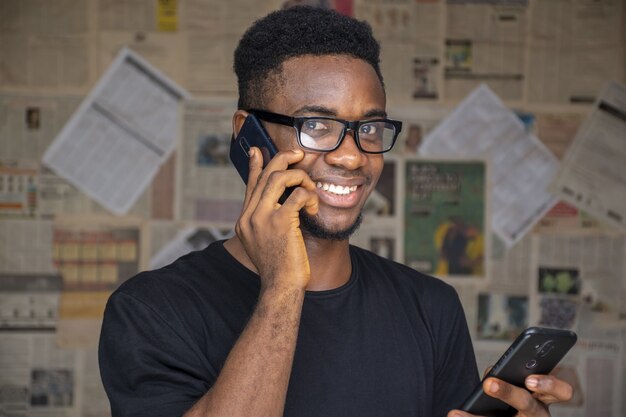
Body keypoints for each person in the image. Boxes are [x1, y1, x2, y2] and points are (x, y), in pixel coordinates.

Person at [98, 6, 573, 417]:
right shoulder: (151, 310)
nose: (352, 156)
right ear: (248, 135)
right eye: (317, 125)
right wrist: (283, 286)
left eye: (369, 127)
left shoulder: (431, 308)